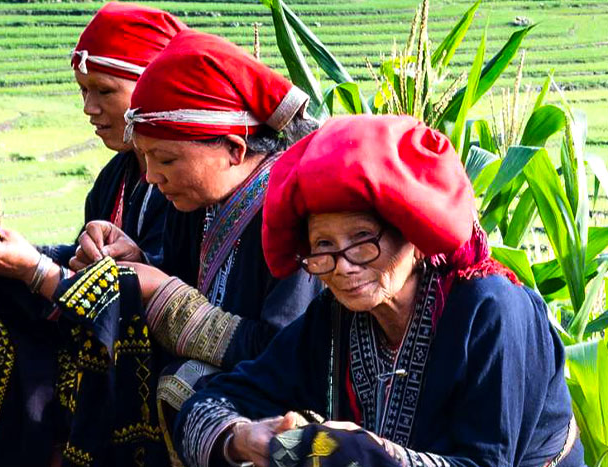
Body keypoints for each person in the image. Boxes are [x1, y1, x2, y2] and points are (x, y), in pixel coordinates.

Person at [174, 115, 585, 467]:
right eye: (323, 246)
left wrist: (368, 453)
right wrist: (243, 436)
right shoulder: (334, 318)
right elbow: (216, 399)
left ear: (416, 238)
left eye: (362, 239)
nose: (344, 265)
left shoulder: (492, 310)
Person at [0, 4, 184, 465]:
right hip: (94, 326)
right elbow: (77, 262)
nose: (88, 109)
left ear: (153, 86)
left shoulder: (180, 187)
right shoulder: (114, 179)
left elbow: (158, 288)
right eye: (82, 91)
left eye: (103, 91)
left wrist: (36, 269)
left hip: (137, 347)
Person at [57, 28, 324, 463]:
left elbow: (285, 352)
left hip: (284, 408)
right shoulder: (192, 201)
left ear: (234, 150)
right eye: (146, 159)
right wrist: (140, 261)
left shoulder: (291, 212)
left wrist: (161, 294)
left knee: (185, 382)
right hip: (226, 387)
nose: (151, 177)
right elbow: (186, 278)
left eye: (165, 160)